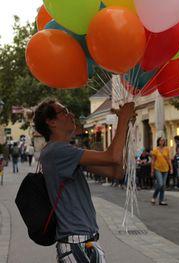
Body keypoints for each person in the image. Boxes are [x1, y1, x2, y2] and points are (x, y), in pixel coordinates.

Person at [34, 97, 135, 263]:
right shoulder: (57, 151)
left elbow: (116, 171)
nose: (71, 114)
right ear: (51, 122)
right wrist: (123, 120)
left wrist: (126, 127)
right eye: (64, 112)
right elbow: (112, 157)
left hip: (86, 241)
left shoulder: (66, 152)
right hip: (76, 243)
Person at [151, 137, 172, 205]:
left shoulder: (167, 149)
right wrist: (152, 170)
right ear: (158, 141)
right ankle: (154, 196)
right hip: (157, 168)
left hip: (165, 169)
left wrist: (171, 168)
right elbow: (153, 161)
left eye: (164, 140)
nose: (162, 141)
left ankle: (161, 200)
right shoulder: (155, 150)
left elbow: (169, 159)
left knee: (163, 185)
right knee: (160, 184)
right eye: (161, 140)